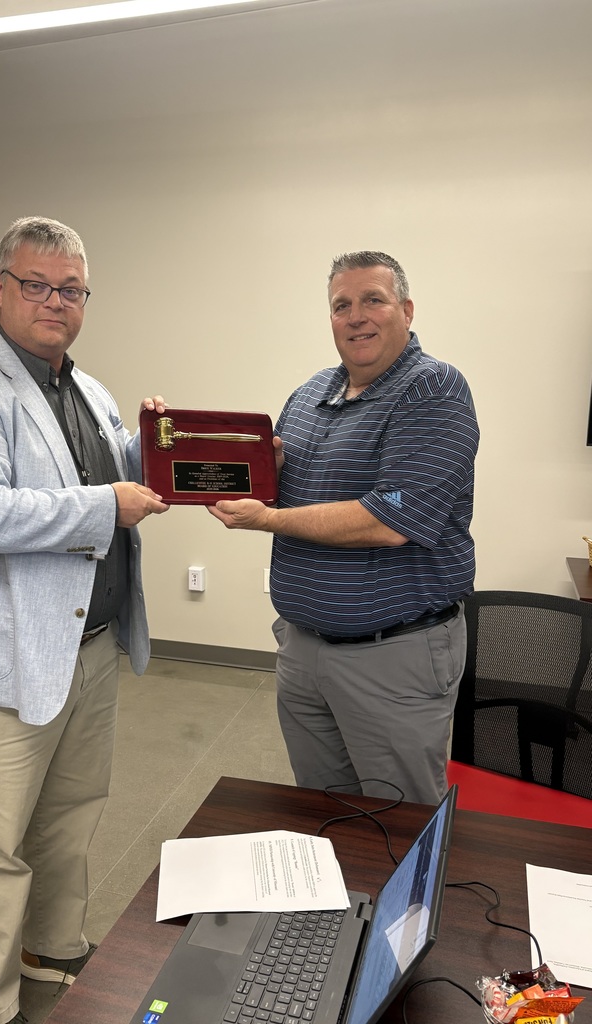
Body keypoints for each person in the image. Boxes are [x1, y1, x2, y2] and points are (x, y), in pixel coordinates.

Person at [0, 216, 170, 1024]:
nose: (56, 302)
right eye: (37, 285)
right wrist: (108, 501)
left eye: (71, 289)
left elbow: (104, 473)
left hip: (85, 651)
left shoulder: (83, 386)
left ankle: (54, 951)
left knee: (68, 822)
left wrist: (149, 448)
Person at [209, 251, 479, 805]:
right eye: (341, 305)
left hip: (392, 658)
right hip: (303, 651)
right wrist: (260, 476)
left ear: (405, 309)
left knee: (397, 822)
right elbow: (285, 489)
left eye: (372, 300)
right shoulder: (310, 395)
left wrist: (268, 517)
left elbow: (390, 519)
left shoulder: (434, 390)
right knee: (323, 814)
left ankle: (404, 899)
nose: (356, 316)